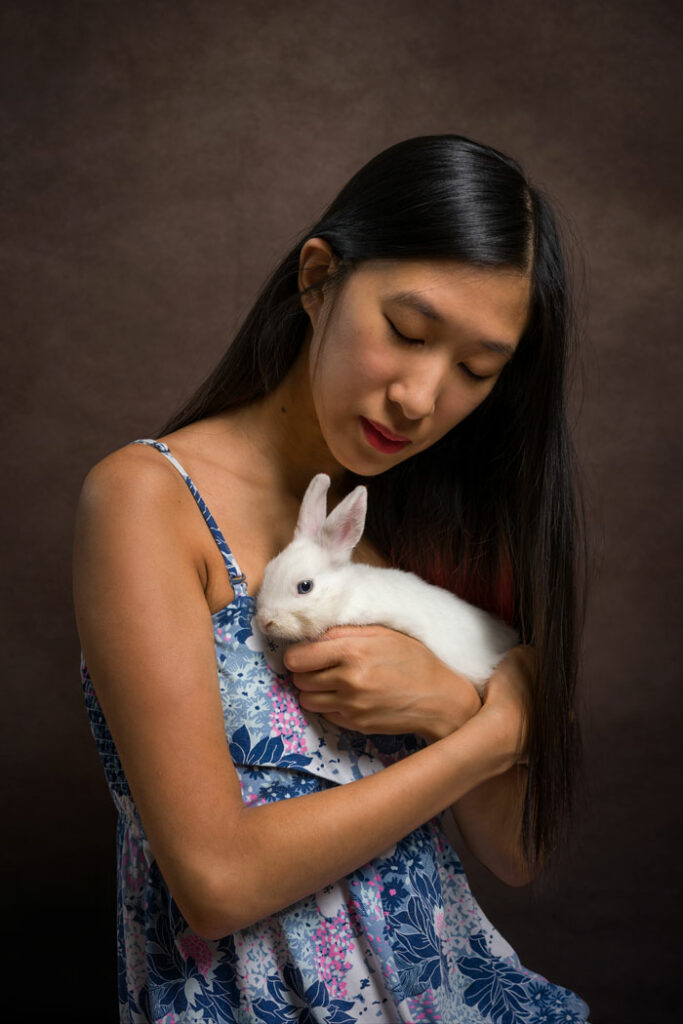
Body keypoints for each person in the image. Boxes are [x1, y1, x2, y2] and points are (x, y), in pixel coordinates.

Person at [73, 134, 590, 1023]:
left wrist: (446, 705)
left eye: (475, 370)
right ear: (318, 280)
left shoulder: (429, 531)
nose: (420, 399)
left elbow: (516, 853)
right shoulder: (148, 499)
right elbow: (216, 881)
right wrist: (491, 732)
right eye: (406, 333)